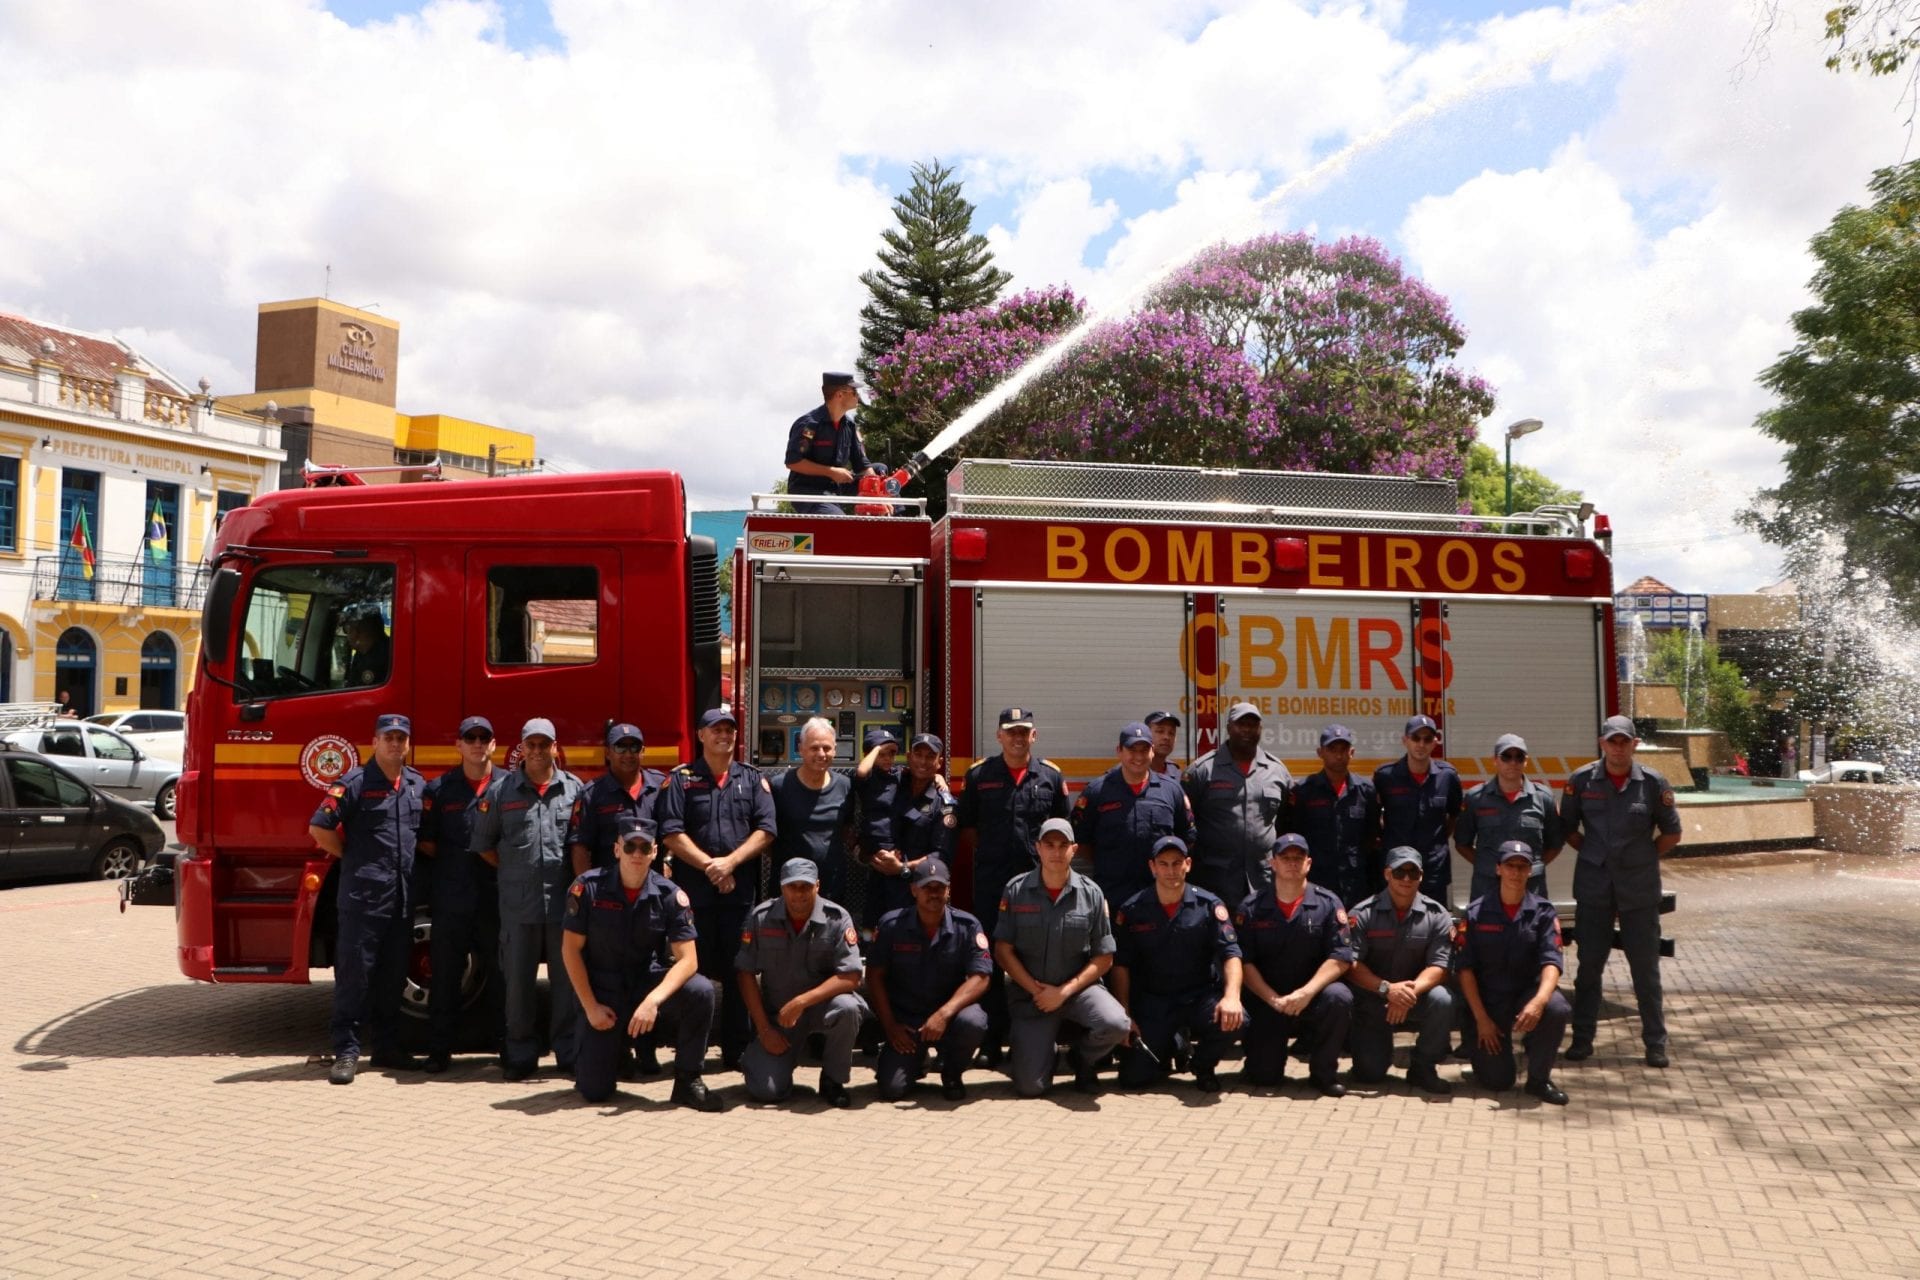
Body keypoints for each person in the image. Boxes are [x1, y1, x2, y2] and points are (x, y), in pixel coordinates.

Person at [560, 816, 721, 1110]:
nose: (637, 854)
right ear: (617, 849)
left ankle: (688, 1080)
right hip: (604, 990)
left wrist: (653, 1001)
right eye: (630, 846)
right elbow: (570, 951)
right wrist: (590, 1007)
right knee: (594, 1091)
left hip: (645, 984)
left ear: (655, 852)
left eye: (644, 848)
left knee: (702, 991)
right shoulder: (588, 888)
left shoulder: (669, 895)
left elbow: (689, 961)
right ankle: (615, 1050)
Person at [308, 712, 427, 1084]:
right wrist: (351, 855)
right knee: (355, 977)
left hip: (401, 899)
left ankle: (388, 1048)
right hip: (363, 898)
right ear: (374, 742)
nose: (395, 744)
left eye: (401, 738)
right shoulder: (354, 783)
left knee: (393, 977)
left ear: (408, 744)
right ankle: (346, 1051)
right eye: (388, 737)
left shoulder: (415, 784)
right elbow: (319, 827)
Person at [657, 707, 777, 1070]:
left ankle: (737, 1050)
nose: (724, 735)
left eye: (729, 729)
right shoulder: (681, 780)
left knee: (740, 970)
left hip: (738, 895)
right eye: (716, 730)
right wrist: (711, 866)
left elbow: (766, 829)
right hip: (693, 897)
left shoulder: (753, 780)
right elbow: (671, 833)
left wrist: (731, 863)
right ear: (701, 735)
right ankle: (690, 1048)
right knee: (691, 972)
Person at [1560, 715, 1683, 1068]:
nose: (1617, 747)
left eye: (1623, 741)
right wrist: (1595, 855)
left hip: (1639, 891)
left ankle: (1655, 1044)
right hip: (1595, 889)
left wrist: (1642, 858)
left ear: (1634, 745)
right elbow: (1568, 828)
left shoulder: (1653, 783)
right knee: (1588, 969)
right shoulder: (1581, 780)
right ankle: (1582, 1040)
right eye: (1611, 741)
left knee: (1645, 972)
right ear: (1602, 743)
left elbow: (1672, 833)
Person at [469, 717, 587, 1081]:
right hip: (518, 906)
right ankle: (521, 1052)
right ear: (522, 748)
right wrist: (513, 870)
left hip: (563, 906)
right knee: (518, 984)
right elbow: (484, 845)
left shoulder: (574, 790)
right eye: (531, 745)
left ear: (555, 747)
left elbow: (584, 845)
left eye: (544, 744)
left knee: (567, 982)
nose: (537, 751)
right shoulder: (501, 792)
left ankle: (567, 1050)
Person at [954, 706, 1071, 1066]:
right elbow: (968, 828)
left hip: (1038, 885)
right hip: (992, 882)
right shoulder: (979, 775)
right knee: (991, 957)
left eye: (1024, 732)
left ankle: (1033, 1035)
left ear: (1033, 736)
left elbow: (1063, 828)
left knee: (1035, 956)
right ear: (999, 736)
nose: (1018, 738)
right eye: (1011, 732)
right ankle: (992, 1037)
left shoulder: (1050, 776)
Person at [993, 818, 1130, 1097]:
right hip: (1033, 996)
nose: (1056, 852)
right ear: (1038, 848)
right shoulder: (1016, 890)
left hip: (1078, 990)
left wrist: (1063, 992)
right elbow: (1002, 951)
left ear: (1074, 849)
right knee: (1031, 1087)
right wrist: (1037, 991)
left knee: (1117, 1023)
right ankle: (1045, 1055)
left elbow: (1104, 958)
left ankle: (1082, 1058)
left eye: (1063, 845)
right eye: (1049, 845)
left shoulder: (1091, 894)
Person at [1110, 836, 1244, 1092]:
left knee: (1238, 1019)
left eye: (1177, 863)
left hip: (1199, 995)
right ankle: (1174, 1044)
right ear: (1152, 867)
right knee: (1132, 1078)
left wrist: (1232, 997)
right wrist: (1125, 1012)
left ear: (1188, 864)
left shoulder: (1209, 905)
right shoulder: (1133, 909)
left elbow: (1231, 954)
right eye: (1164, 864)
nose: (1171, 870)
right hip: (1155, 1001)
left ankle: (1202, 1066)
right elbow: (1121, 964)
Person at [736, 857, 868, 1107]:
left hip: (822, 1009)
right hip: (781, 1018)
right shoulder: (761, 917)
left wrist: (802, 1001)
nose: (798, 894)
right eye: (792, 886)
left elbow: (852, 976)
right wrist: (765, 1030)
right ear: (781, 887)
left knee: (849, 1008)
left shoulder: (837, 918)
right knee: (766, 1092)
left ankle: (832, 1080)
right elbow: (745, 972)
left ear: (817, 886)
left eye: (805, 886)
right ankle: (771, 1062)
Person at [415, 714, 503, 1073]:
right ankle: (439, 1050)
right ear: (459, 745)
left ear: (494, 745)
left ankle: (507, 1048)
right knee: (446, 976)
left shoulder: (509, 786)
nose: (478, 744)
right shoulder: (440, 789)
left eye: (485, 738)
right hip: (452, 897)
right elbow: (428, 843)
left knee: (501, 976)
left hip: (496, 897)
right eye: (471, 738)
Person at [1235, 833, 1355, 1096]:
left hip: (1312, 994)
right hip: (1268, 997)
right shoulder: (1251, 907)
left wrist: (1306, 992)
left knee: (1339, 997)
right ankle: (1258, 1061)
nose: (1292, 863)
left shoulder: (1328, 903)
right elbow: (1243, 962)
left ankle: (1323, 1073)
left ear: (1308, 864)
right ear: (1273, 863)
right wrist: (1272, 999)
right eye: (1285, 858)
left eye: (1298, 858)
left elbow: (1341, 958)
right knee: (1264, 1078)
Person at [868, 857, 992, 1102]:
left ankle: (952, 1073)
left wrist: (944, 1014)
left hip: (949, 1019)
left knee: (975, 1021)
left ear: (949, 890)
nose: (933, 894)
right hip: (908, 1022)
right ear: (914, 890)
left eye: (940, 888)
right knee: (891, 1090)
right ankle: (916, 1062)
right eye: (927, 887)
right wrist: (891, 1026)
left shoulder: (967, 925)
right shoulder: (892, 925)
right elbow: (873, 976)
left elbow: (981, 976)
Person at [1457, 841, 1571, 1105]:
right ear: (1498, 869)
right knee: (1498, 1081)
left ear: (1530, 871)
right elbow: (1465, 970)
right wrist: (1481, 1019)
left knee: (1557, 1007)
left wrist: (1539, 1002)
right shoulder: (1476, 912)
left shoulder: (1543, 912)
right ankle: (1481, 1057)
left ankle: (1539, 1080)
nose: (1516, 872)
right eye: (1510, 865)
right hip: (1489, 1003)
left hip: (1525, 995)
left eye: (1522, 866)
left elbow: (1552, 963)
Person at [1344, 846, 1456, 1094]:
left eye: (1412, 873)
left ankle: (1423, 1067)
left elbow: (1440, 967)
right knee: (1369, 1075)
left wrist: (1406, 993)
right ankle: (1368, 1057)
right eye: (1399, 872)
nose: (1406, 879)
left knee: (1443, 999)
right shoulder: (1362, 913)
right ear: (1386, 874)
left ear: (1421, 876)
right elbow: (1351, 965)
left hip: (1415, 995)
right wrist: (1387, 989)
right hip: (1374, 998)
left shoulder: (1437, 915)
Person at [1182, 701, 1292, 908]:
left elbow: (1286, 821)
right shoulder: (1201, 771)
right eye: (1241, 724)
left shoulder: (1277, 771)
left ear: (1260, 729)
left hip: (1263, 879)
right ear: (1229, 727)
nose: (1247, 730)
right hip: (1214, 879)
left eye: (1253, 725)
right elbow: (1185, 823)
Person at [1072, 721, 1193, 908]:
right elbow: (1080, 841)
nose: (1138, 757)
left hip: (1159, 898)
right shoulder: (1097, 791)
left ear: (1152, 751)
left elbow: (1187, 837)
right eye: (1132, 750)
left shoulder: (1172, 790)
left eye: (1144, 750)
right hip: (1111, 896)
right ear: (1119, 751)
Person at [855, 731, 955, 927]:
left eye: (930, 757)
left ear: (939, 762)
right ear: (909, 757)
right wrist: (865, 853)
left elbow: (941, 855)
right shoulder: (894, 781)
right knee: (873, 940)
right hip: (879, 883)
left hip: (917, 890)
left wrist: (901, 868)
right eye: (918, 755)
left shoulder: (945, 804)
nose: (923, 762)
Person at [1455, 733, 1564, 904]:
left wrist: (1530, 867)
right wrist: (1488, 865)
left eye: (1518, 757)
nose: (1513, 762)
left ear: (1526, 761)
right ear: (1495, 760)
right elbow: (1462, 842)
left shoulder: (1543, 798)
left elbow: (1556, 843)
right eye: (1506, 757)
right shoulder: (1476, 798)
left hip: (1531, 887)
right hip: (1487, 886)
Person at [1372, 715, 1463, 905]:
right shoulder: (1385, 776)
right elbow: (1373, 818)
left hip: (1433, 870)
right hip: (1396, 870)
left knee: (1434, 926)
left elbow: (1453, 815)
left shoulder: (1448, 777)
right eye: (1416, 738)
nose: (1421, 744)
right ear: (1405, 740)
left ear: (1435, 742)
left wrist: (1437, 841)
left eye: (1427, 739)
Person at [769, 717, 857, 907]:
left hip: (831, 887)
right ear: (800, 749)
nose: (821, 754)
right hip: (790, 888)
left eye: (827, 748)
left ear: (835, 749)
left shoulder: (845, 786)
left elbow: (846, 830)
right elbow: (767, 837)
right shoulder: (779, 786)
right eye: (814, 748)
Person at [1292, 724, 1381, 907]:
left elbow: (1372, 838)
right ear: (1320, 752)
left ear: (1352, 752)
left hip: (1356, 883)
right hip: (1317, 881)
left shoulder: (1366, 791)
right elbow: (1295, 834)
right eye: (1332, 749)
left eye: (1344, 750)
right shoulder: (1305, 790)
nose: (1339, 755)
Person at [568, 722, 666, 875]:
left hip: (652, 887)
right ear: (608, 753)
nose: (628, 754)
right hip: (608, 889)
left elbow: (675, 833)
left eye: (634, 747)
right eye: (620, 747)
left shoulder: (661, 787)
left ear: (643, 751)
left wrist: (669, 863)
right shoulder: (592, 793)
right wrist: (586, 891)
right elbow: (580, 847)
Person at [783, 371, 871, 514]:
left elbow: (862, 465)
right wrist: (831, 472)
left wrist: (879, 494)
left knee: (879, 471)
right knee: (837, 521)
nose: (858, 396)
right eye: (854, 391)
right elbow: (793, 461)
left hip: (836, 490)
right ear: (840, 395)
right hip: (809, 493)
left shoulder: (849, 425)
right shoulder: (810, 425)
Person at [342, 612, 390, 688]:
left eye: (349, 630)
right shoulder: (361, 654)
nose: (348, 636)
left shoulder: (382, 657)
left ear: (359, 633)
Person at [1143, 710, 1183, 781]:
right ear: (1146, 734)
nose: (1166, 737)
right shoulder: (1132, 770)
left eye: (1171, 733)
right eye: (1160, 731)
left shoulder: (1176, 773)